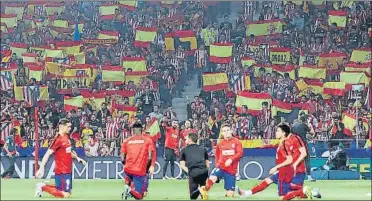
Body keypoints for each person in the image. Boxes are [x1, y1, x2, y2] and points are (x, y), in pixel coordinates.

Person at [237, 124, 317, 200]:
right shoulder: (283, 141)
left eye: (278, 131)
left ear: (284, 132)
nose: (276, 132)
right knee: (269, 180)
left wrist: (295, 165)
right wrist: (266, 146)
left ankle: (310, 192)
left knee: (297, 195)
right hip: (286, 169)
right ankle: (247, 193)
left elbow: (304, 153)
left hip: (298, 170)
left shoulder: (295, 138)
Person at [34, 119, 87, 198]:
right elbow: (47, 154)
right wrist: (41, 168)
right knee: (66, 194)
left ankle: (42, 186)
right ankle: (42, 187)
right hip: (61, 171)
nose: (70, 128)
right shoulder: (57, 139)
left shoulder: (66, 137)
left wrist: (78, 158)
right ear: (62, 126)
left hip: (68, 170)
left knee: (65, 191)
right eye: (68, 127)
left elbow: (68, 152)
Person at [200, 123, 243, 198]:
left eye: (228, 130)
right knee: (212, 178)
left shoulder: (237, 142)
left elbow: (240, 153)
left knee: (230, 195)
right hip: (221, 167)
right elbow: (217, 156)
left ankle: (232, 190)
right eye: (224, 131)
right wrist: (217, 166)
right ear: (222, 133)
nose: (226, 132)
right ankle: (203, 193)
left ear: (231, 131)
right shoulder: (220, 144)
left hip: (231, 170)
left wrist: (231, 159)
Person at [121, 122, 156, 200]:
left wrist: (124, 164)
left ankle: (127, 186)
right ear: (142, 130)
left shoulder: (126, 141)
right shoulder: (147, 140)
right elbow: (151, 156)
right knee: (140, 196)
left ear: (132, 130)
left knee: (130, 176)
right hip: (140, 170)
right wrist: (151, 166)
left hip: (128, 169)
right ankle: (129, 190)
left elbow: (122, 157)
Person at [180, 133, 210, 200]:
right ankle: (202, 190)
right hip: (204, 172)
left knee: (193, 197)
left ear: (190, 140)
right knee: (203, 191)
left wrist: (189, 172)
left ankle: (199, 190)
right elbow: (207, 161)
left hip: (193, 172)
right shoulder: (203, 148)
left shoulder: (184, 150)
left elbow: (182, 165)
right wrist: (207, 169)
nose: (185, 140)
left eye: (186, 139)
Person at [291, 115, 316, 181]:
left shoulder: (293, 126)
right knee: (307, 160)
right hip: (303, 145)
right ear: (305, 120)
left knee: (295, 161)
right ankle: (309, 177)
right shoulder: (304, 125)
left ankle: (293, 176)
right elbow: (312, 133)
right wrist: (310, 125)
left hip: (295, 146)